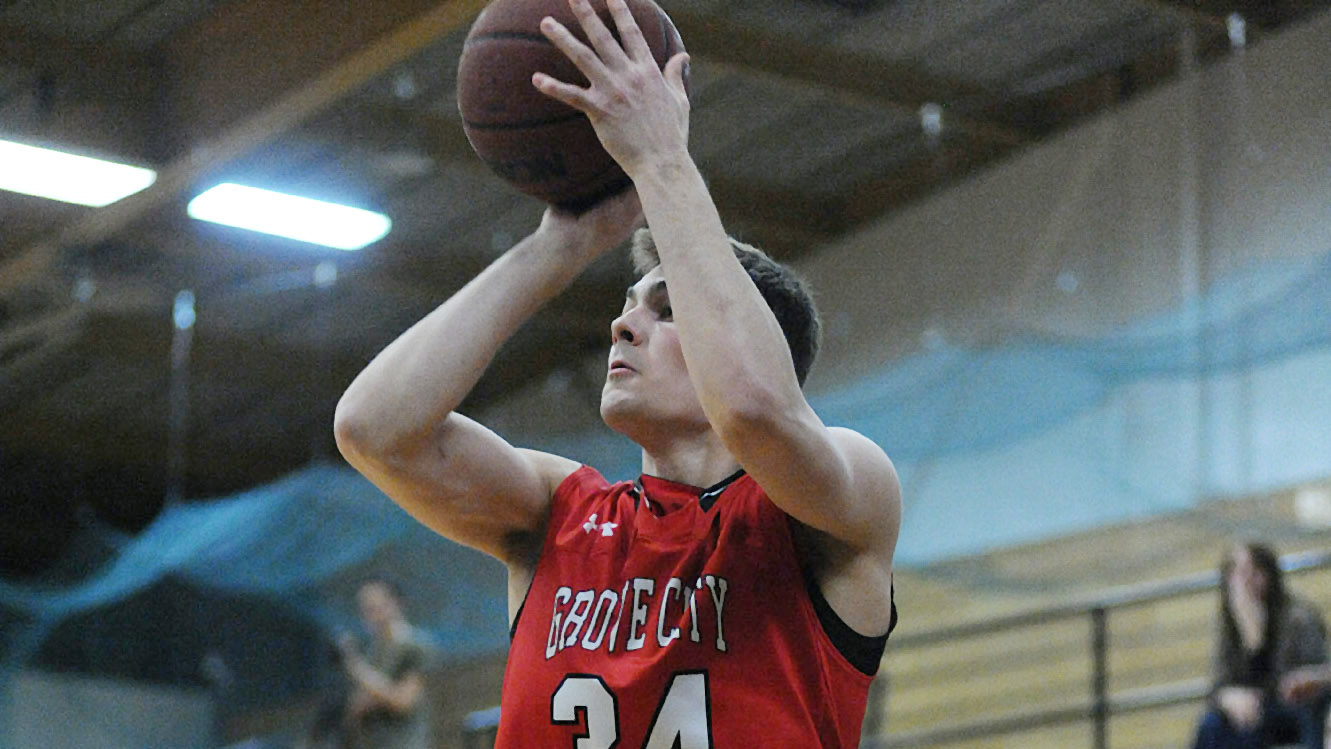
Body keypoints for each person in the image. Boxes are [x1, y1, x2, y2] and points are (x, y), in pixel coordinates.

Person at [333, 0, 901, 745]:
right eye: (630, 302)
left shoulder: (834, 499)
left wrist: (663, 160)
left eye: (666, 309)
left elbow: (757, 409)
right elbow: (373, 430)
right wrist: (560, 246)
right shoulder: (555, 513)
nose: (623, 322)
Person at [1192, 543, 1331, 749]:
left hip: (1298, 708)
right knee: (1212, 726)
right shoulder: (1230, 624)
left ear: (1269, 575)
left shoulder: (1297, 616)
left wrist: (1303, 680)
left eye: (1253, 572)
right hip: (1253, 713)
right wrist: (1228, 697)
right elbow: (1218, 685)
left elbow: (1319, 673)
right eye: (1237, 574)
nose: (1245, 582)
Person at [330, 579, 433, 749]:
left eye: (380, 607)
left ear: (396, 603)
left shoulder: (415, 646)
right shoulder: (372, 652)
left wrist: (356, 666)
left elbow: (403, 700)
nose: (376, 616)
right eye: (368, 610)